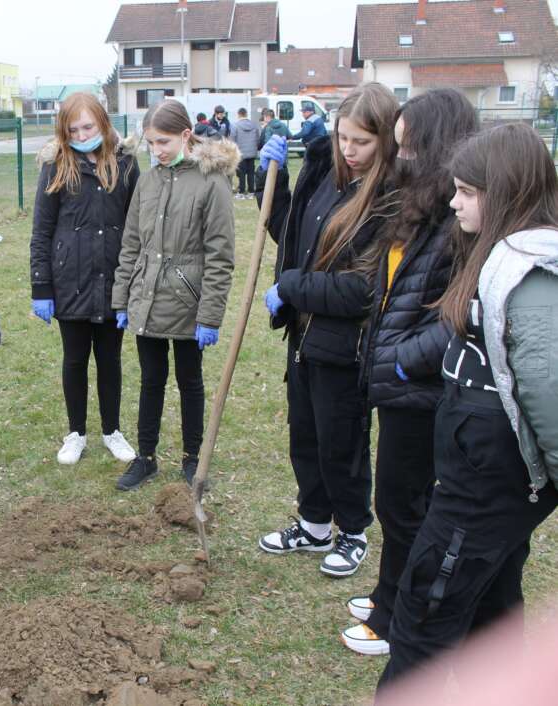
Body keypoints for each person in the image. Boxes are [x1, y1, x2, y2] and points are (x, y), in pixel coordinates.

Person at [377, 123, 558, 689]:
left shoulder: (530, 277)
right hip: (473, 475)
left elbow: (548, 397)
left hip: (485, 487)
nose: (454, 202)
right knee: (493, 608)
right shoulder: (495, 255)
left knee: (425, 616)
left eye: (467, 191)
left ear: (505, 191)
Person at [342, 89, 479, 657]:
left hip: (422, 388)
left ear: (440, 147)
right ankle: (387, 591)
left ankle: (398, 615)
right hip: (398, 384)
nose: (399, 159)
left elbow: (459, 313)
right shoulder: (420, 205)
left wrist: (402, 357)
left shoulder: (463, 220)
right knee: (397, 501)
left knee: (405, 504)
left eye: (410, 148)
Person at [255, 82, 399, 578]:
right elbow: (288, 236)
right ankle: (315, 525)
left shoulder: (387, 200)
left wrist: (291, 286)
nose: (349, 151)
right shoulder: (329, 179)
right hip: (304, 336)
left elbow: (359, 290)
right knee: (306, 434)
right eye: (343, 138)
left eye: (361, 141)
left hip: (347, 342)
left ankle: (353, 530)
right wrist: (266, 179)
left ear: (385, 140)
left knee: (342, 442)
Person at [111, 99, 236, 490]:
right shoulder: (148, 181)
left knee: (189, 380)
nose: (156, 151)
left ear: (185, 135)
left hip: (188, 301)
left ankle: (192, 457)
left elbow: (220, 255)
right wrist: (121, 298)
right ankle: (145, 458)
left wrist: (210, 315)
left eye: (163, 142)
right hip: (147, 298)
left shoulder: (211, 182)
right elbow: (131, 242)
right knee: (151, 379)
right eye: (150, 143)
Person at [30, 93, 139, 465]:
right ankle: (76, 432)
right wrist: (41, 286)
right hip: (70, 284)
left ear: (103, 123)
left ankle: (112, 431)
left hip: (112, 284)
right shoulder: (57, 167)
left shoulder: (125, 166)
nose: (81, 134)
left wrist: (131, 285)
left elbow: (135, 226)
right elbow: (42, 231)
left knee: (110, 360)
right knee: (75, 359)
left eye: (88, 127)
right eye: (73, 129)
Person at [231, 107, 260, 199]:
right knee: (251, 173)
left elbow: (232, 139)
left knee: (241, 173)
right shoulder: (254, 125)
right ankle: (251, 191)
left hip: (241, 153)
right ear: (246, 114)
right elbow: (257, 138)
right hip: (251, 153)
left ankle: (242, 192)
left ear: (239, 114)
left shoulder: (235, 125)